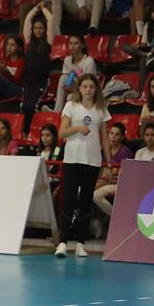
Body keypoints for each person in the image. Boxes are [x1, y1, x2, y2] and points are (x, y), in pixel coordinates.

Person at [55, 74, 109, 258]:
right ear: (79, 88)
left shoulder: (101, 109)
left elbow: (104, 137)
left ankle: (80, 243)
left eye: (91, 87)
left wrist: (108, 162)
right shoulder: (71, 106)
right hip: (72, 159)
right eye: (85, 86)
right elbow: (62, 133)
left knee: (86, 202)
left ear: (96, 89)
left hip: (92, 161)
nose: (88, 90)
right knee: (69, 200)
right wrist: (77, 128)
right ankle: (62, 242)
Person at [92, 122, 134, 218]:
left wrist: (98, 184)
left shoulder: (125, 152)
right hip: (106, 181)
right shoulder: (105, 150)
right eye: (111, 133)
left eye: (117, 134)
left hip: (119, 184)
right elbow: (104, 173)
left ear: (122, 137)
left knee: (95, 195)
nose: (113, 137)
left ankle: (117, 218)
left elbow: (115, 176)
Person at [54, 35, 97, 112]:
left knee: (70, 97)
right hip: (73, 89)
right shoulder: (67, 60)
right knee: (63, 78)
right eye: (71, 43)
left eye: (76, 43)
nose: (72, 46)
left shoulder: (89, 61)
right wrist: (68, 88)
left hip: (86, 91)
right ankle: (57, 110)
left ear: (82, 45)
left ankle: (66, 113)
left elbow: (90, 84)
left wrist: (78, 78)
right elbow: (66, 82)